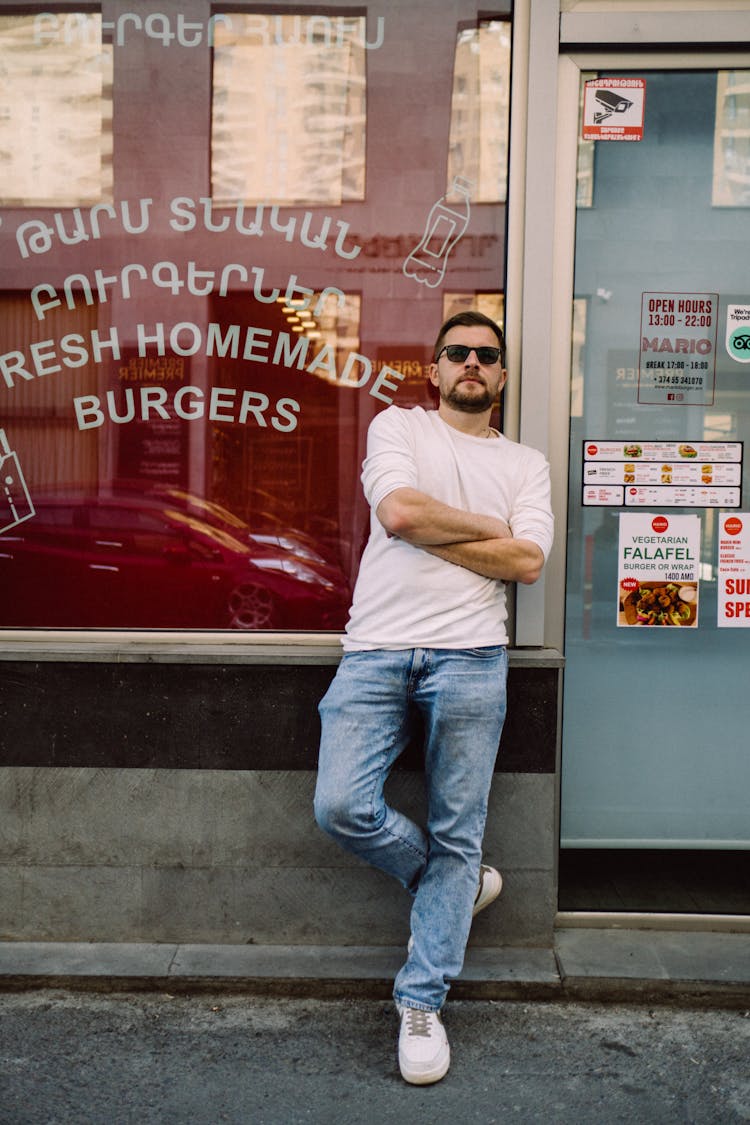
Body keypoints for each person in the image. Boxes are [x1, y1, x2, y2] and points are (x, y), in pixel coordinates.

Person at [313, 310, 554, 1085]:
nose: (473, 363)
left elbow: (526, 562)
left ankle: (421, 1000)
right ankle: (451, 886)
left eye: (488, 355)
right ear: (435, 369)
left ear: (504, 376)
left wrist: (442, 531)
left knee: (461, 826)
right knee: (341, 805)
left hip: (473, 657)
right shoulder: (399, 427)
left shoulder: (526, 463)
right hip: (376, 648)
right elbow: (399, 512)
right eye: (459, 353)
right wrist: (484, 528)